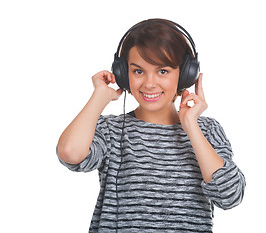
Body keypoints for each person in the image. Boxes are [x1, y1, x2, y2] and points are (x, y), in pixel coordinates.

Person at [57, 18, 246, 233]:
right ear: (123, 74)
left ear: (185, 74)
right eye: (138, 71)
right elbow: (69, 153)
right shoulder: (110, 130)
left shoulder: (207, 130)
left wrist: (190, 125)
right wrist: (99, 97)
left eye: (162, 71)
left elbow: (230, 196)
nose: (149, 83)